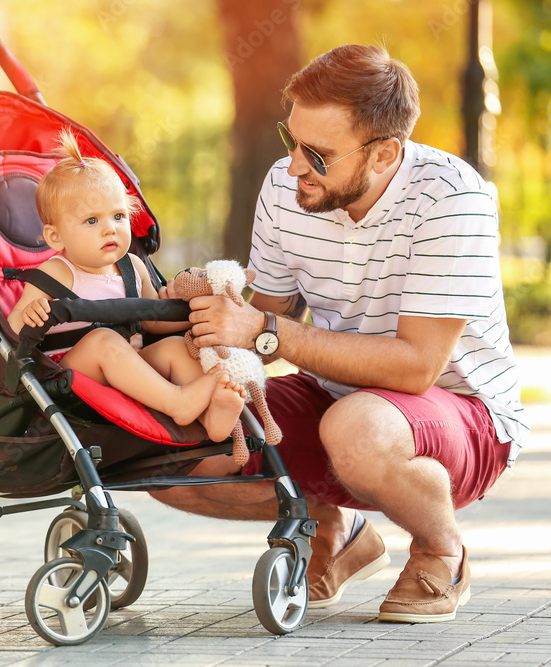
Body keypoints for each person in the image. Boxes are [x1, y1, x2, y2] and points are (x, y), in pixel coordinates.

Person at [151, 45, 529, 623]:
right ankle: (336, 526)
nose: (296, 166)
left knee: (355, 427)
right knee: (164, 447)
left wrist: (265, 330)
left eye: (318, 155)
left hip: (463, 413)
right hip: (335, 400)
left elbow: (415, 367)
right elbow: (262, 320)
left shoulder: (453, 198)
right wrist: (209, 309)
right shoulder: (285, 188)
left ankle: (441, 550)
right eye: (291, 141)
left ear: (383, 155)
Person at [7, 130, 247, 441]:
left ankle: (210, 416)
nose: (110, 229)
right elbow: (12, 331)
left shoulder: (132, 266)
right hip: (69, 379)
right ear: (55, 237)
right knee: (102, 340)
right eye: (92, 221)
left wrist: (181, 306)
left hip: (130, 371)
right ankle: (178, 402)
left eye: (118, 216)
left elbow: (151, 319)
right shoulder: (56, 272)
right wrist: (31, 312)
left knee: (175, 347)